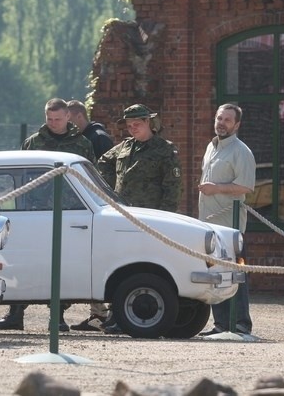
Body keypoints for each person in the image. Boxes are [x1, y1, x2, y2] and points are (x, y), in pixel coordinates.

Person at [0, 97, 95, 332]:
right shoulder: (34, 142)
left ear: (68, 117)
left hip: (67, 213)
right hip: (34, 212)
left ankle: (57, 317)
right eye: (49, 119)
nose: (53, 123)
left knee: (62, 263)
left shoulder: (82, 144)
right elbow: (19, 177)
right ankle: (15, 313)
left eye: (58, 119)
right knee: (24, 260)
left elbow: (89, 178)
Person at [97, 103, 183, 333]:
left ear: (149, 123)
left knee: (145, 267)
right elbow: (103, 162)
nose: (133, 129)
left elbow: (172, 188)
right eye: (129, 125)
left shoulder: (165, 150)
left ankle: (139, 314)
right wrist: (108, 189)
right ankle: (116, 316)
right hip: (122, 218)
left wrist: (165, 219)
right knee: (119, 265)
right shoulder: (125, 147)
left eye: (137, 124)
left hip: (150, 219)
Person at [197, 103, 255, 336]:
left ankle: (241, 324)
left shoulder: (241, 151)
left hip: (230, 227)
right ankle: (221, 324)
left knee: (235, 275)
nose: (221, 123)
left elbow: (246, 186)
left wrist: (215, 189)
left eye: (227, 120)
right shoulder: (212, 147)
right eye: (219, 118)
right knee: (213, 275)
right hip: (208, 225)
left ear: (236, 125)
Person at [67, 99, 114, 332]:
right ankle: (100, 315)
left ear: (76, 116)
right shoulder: (90, 137)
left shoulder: (97, 138)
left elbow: (104, 175)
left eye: (67, 119)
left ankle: (104, 315)